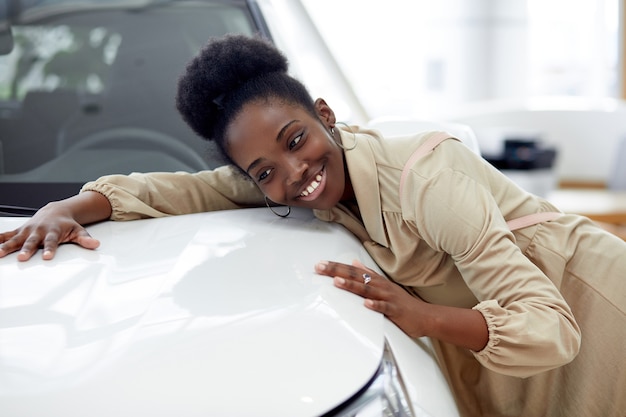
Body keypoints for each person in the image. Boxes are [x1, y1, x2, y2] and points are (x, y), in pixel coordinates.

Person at [1, 34, 625, 417]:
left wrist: (420, 315)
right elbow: (183, 191)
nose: (296, 174)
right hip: (522, 356)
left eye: (297, 139)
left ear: (325, 114)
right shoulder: (285, 184)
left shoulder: (426, 177)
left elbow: (550, 327)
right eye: (265, 171)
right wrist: (66, 209)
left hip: (595, 312)